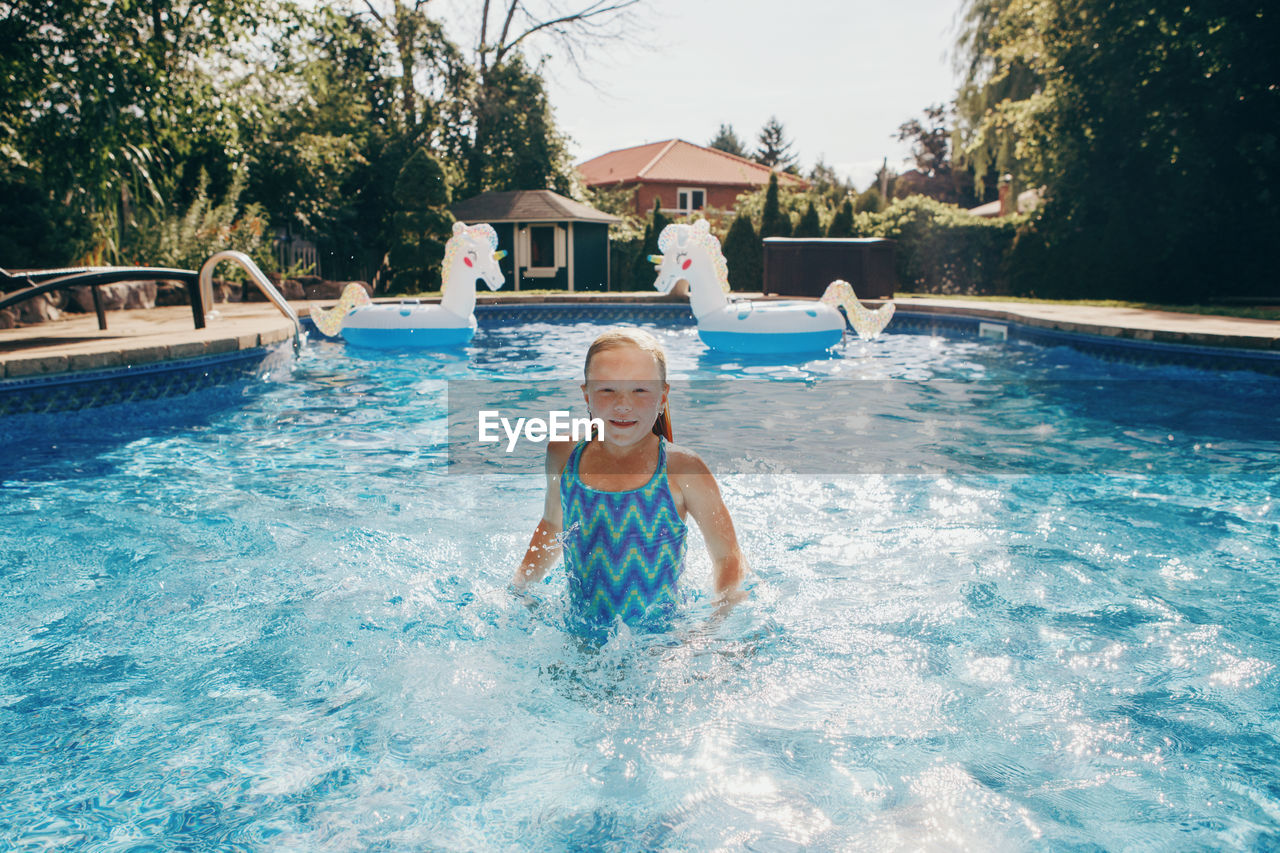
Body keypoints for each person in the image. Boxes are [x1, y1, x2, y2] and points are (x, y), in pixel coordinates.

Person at [514, 328, 746, 629]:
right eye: (607, 389)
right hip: (579, 633)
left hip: (662, 642)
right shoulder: (564, 456)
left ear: (662, 396)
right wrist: (520, 585)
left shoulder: (682, 468)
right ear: (587, 395)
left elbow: (727, 556)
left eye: (640, 390)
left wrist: (711, 627)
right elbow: (552, 525)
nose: (623, 404)